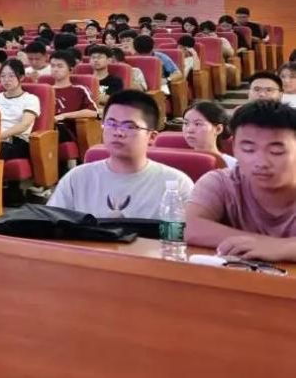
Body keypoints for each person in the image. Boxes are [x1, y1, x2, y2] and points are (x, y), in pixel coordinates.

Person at [48, 90, 192, 218]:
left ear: (152, 137)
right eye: (111, 124)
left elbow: (186, 236)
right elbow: (51, 227)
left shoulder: (176, 184)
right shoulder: (77, 178)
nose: (118, 132)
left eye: (129, 126)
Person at [185, 101, 296, 260]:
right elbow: (192, 228)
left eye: (276, 151)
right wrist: (264, 243)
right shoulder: (221, 182)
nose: (261, 162)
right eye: (248, 149)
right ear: (234, 148)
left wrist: (280, 248)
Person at [0, 60, 39, 162]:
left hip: (17, 142)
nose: (6, 80)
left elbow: (24, 125)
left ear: (21, 77)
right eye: (3, 76)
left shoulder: (31, 99)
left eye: (11, 76)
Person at [48, 52, 97, 146]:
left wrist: (64, 116)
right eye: (53, 66)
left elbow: (93, 112)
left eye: (60, 66)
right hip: (46, 130)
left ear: (70, 69)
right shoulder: (46, 90)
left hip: (67, 131)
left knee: (58, 126)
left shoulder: (79, 89)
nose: (55, 69)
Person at [181, 100, 236, 170]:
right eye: (186, 123)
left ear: (218, 129)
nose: (189, 130)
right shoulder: (179, 160)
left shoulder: (233, 166)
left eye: (198, 124)